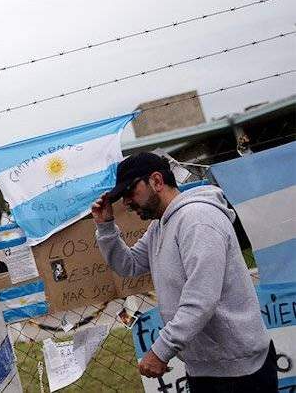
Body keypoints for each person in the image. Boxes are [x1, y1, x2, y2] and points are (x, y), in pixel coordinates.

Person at [91, 152, 276, 392]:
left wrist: (161, 350)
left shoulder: (198, 219)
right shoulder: (160, 225)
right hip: (207, 367)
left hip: (239, 370)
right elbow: (130, 265)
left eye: (130, 192)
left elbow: (202, 299)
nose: (126, 202)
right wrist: (105, 227)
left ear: (156, 181)